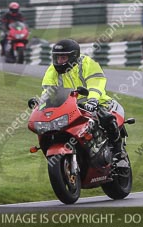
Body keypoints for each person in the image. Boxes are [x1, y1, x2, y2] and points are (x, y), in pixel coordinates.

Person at [40, 39, 129, 170]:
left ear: (73, 56)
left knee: (106, 118)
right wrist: (41, 105)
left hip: (97, 102)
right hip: (70, 107)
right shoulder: (52, 71)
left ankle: (119, 154)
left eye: (63, 57)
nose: (59, 61)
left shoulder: (87, 64)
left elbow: (96, 82)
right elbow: (48, 92)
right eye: (57, 57)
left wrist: (92, 100)